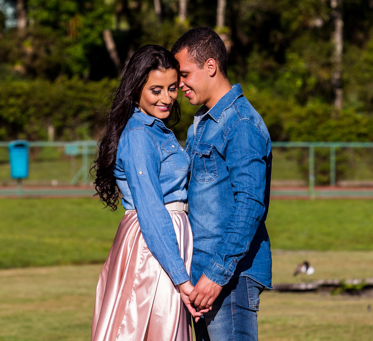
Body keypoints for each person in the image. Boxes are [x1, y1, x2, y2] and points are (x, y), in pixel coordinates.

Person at [92, 45, 202, 341]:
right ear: (136, 89)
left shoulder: (157, 129)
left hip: (163, 240)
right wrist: (182, 280)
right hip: (151, 246)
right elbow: (152, 211)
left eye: (172, 88)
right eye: (156, 90)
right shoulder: (140, 135)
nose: (166, 98)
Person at [172, 27, 272, 341]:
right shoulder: (201, 124)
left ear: (211, 66)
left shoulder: (240, 123)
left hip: (231, 278)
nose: (180, 84)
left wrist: (216, 275)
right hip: (202, 276)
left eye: (185, 74)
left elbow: (250, 206)